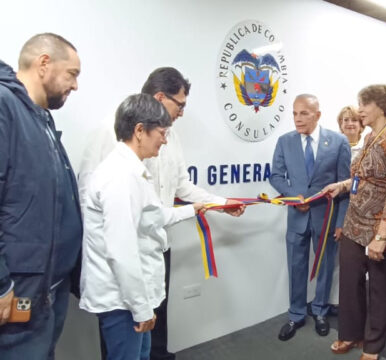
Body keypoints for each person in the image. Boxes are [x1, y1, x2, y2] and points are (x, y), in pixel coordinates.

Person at [78, 67, 244, 360]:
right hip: (123, 268)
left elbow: (166, 202)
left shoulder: (152, 150)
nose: (181, 114)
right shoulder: (114, 151)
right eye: (180, 104)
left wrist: (214, 204)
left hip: (153, 249)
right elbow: (117, 241)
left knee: (151, 331)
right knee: (126, 339)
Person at [80, 93, 204, 360]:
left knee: (142, 355)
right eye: (161, 132)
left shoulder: (133, 171)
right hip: (123, 301)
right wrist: (141, 309)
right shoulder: (120, 178)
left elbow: (153, 217)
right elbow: (121, 252)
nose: (165, 139)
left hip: (135, 298)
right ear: (139, 131)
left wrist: (192, 209)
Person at [0, 33, 82, 359]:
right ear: (44, 64)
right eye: (72, 74)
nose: (75, 85)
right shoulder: (5, 106)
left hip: (50, 285)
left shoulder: (41, 117)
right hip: (20, 289)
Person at [324, 84, 386, 360]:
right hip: (355, 222)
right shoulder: (371, 136)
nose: (360, 109)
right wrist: (341, 185)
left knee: (381, 287)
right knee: (350, 281)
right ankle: (351, 333)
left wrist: (382, 236)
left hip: (383, 226)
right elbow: (363, 177)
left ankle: (373, 345)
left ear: (381, 106)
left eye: (364, 103)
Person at [269, 94, 350, 341]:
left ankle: (321, 310)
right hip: (297, 216)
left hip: (326, 218)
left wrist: (341, 222)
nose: (297, 118)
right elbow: (276, 176)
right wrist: (296, 197)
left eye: (304, 113)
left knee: (325, 266)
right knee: (296, 266)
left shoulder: (338, 142)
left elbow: (346, 185)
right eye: (294, 113)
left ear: (318, 114)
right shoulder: (285, 142)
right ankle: (296, 314)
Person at [328, 105, 365, 315]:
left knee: (358, 260)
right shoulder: (333, 147)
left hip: (361, 211)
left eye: (354, 120)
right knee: (336, 258)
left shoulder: (368, 147)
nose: (349, 124)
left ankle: (354, 301)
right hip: (338, 208)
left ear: (361, 125)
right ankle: (336, 301)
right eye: (345, 120)